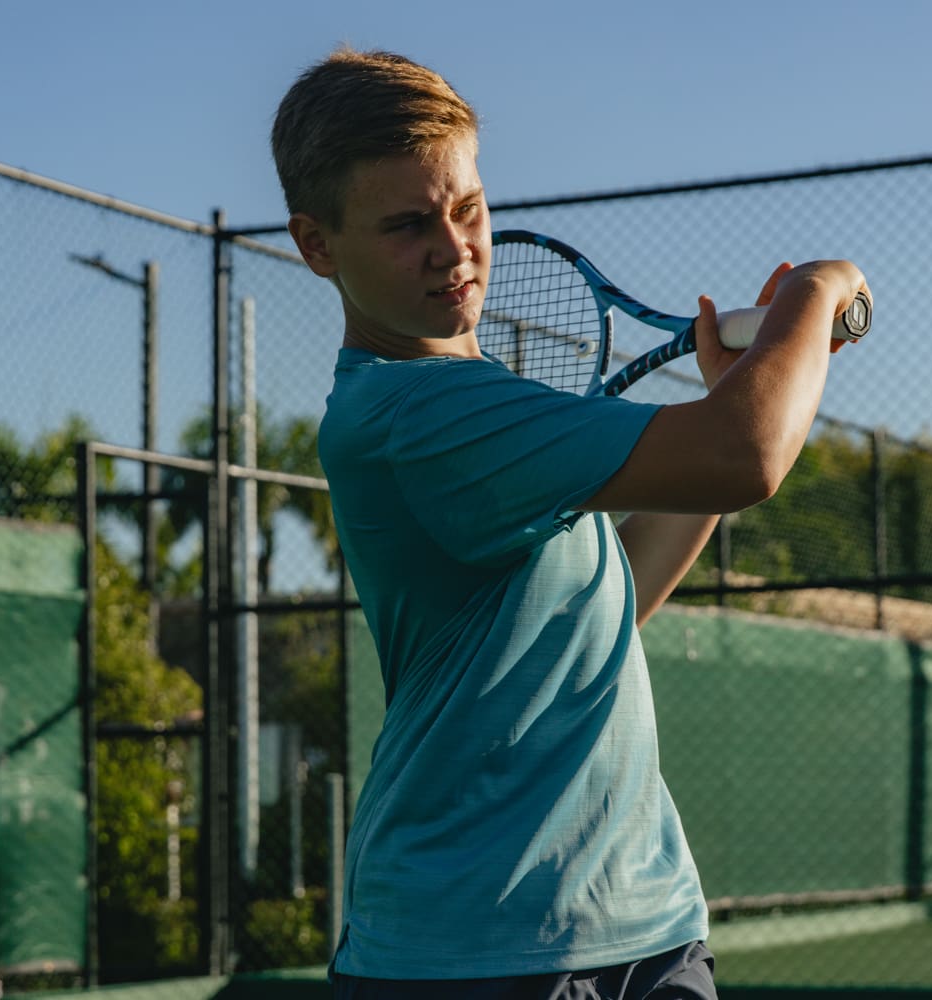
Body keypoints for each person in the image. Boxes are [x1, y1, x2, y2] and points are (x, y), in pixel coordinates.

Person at [272, 46, 869, 1000]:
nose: (452, 246)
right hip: (474, 950)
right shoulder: (408, 414)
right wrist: (817, 293)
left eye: (467, 207)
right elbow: (746, 454)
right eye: (405, 225)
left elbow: (605, 602)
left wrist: (724, 407)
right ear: (316, 245)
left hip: (648, 925)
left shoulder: (475, 405)